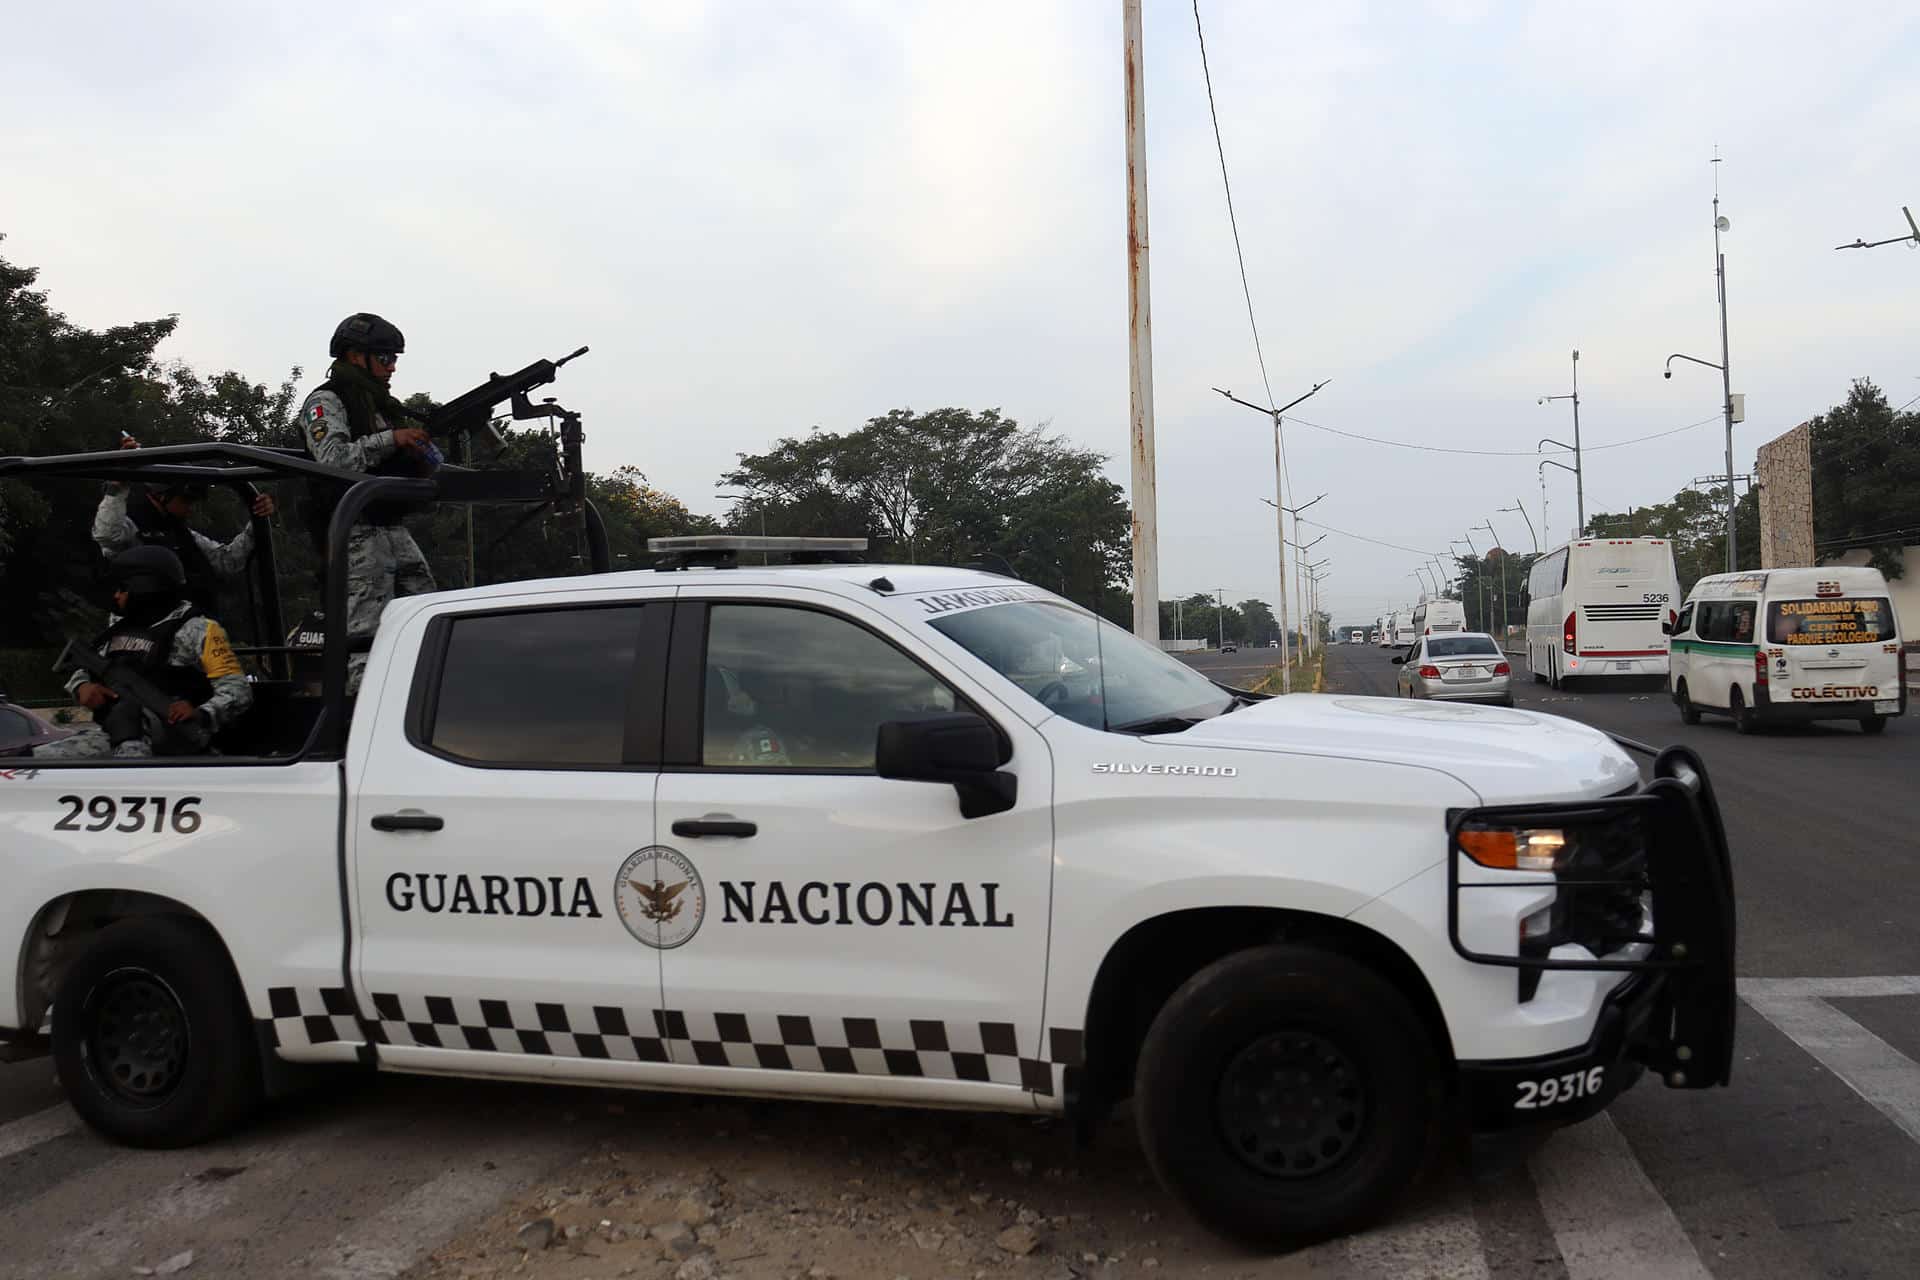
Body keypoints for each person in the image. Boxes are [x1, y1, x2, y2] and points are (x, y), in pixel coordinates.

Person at [298, 312, 438, 690]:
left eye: (395, 359)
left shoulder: (381, 405)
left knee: (425, 615)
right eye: (385, 358)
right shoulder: (326, 401)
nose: (392, 367)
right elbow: (333, 459)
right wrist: (392, 439)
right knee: (364, 642)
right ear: (356, 356)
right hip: (353, 530)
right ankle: (358, 715)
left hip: (389, 526)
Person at [37, 546, 253, 759]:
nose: (116, 596)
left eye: (123, 588)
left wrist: (202, 713)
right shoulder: (119, 626)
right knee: (31, 761)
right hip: (116, 733)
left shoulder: (199, 629)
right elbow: (87, 668)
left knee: (130, 768)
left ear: (144, 586)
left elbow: (238, 690)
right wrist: (82, 686)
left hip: (174, 742)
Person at [92, 435, 276, 612]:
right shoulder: (131, 529)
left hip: (189, 624)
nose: (191, 508)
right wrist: (117, 485)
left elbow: (226, 560)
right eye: (187, 499)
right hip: (146, 627)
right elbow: (106, 535)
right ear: (163, 495)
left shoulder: (182, 534)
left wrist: (257, 520)